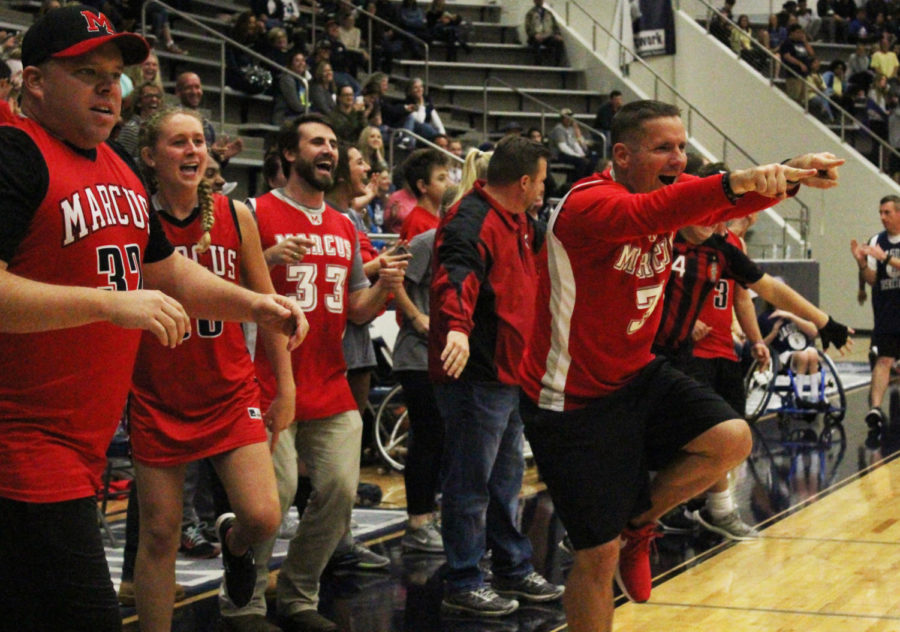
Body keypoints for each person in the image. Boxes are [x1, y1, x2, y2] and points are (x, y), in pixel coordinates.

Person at [0, 7, 306, 631]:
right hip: (22, 445)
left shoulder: (115, 167)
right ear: (34, 83)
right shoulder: (14, 152)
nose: (110, 88)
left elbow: (166, 271)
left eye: (115, 75)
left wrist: (254, 303)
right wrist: (110, 302)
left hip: (77, 446)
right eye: (87, 73)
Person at [516, 99, 845, 632]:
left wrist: (791, 173)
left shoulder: (669, 202)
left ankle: (640, 524)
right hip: (570, 399)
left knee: (732, 438)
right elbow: (653, 215)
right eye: (664, 148)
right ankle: (615, 546)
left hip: (636, 373)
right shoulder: (589, 203)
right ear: (622, 155)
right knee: (594, 558)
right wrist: (737, 181)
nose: (679, 156)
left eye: (683, 146)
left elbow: (710, 213)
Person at [219, 114, 406, 632]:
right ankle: (244, 604)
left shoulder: (346, 224)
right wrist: (267, 257)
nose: (329, 150)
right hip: (264, 380)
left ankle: (299, 595)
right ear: (288, 153)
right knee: (273, 498)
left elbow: (355, 310)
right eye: (316, 142)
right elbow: (212, 286)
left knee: (342, 491)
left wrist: (386, 286)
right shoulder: (252, 212)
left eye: (332, 144)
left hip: (329, 378)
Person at [129, 107, 299, 631]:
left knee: (263, 515)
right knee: (160, 533)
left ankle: (235, 543)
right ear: (150, 156)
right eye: (178, 142)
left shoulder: (234, 215)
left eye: (199, 141)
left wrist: (285, 386)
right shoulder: (134, 218)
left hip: (228, 388)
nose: (192, 151)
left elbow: (266, 305)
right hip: (157, 392)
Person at [430, 135, 564, 617]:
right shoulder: (472, 219)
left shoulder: (521, 222)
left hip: (509, 374)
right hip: (476, 374)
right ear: (525, 182)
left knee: (507, 480)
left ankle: (512, 566)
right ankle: (463, 578)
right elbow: (456, 278)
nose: (545, 189)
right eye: (543, 181)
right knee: (470, 482)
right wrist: (459, 331)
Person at [851, 195, 900, 444]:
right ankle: (876, 409)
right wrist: (861, 264)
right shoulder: (875, 242)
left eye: (887, 212)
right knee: (883, 359)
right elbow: (872, 280)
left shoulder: (884, 250)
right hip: (887, 314)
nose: (882, 216)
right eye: (880, 212)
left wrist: (886, 259)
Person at [175, 71, 244, 165]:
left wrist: (220, 157)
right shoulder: (173, 121)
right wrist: (211, 153)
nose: (194, 92)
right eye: (189, 88)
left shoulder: (207, 125)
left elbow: (208, 166)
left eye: (197, 87)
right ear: (178, 92)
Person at [399, 147, 451, 241]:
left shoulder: (438, 218)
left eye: (448, 177)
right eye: (441, 178)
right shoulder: (416, 223)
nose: (449, 184)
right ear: (422, 186)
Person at [116, 80, 164, 158]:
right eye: (149, 96)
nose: (154, 99)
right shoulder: (131, 128)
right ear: (139, 102)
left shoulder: (162, 128)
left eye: (157, 96)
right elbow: (122, 159)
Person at [549, 107, 595, 183]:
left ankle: (587, 182)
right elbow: (563, 147)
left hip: (570, 154)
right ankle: (576, 182)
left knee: (592, 159)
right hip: (559, 155)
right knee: (581, 162)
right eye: (566, 117)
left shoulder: (570, 129)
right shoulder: (558, 129)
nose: (569, 119)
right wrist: (578, 156)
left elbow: (574, 144)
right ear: (562, 118)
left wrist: (581, 154)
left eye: (570, 117)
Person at [273, 49, 311, 124]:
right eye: (297, 61)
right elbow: (295, 105)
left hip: (300, 115)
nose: (301, 63)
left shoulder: (302, 81)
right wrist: (310, 112)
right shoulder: (286, 79)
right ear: (291, 64)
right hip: (285, 117)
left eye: (303, 61)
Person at [525, 0, 564, 66]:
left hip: (547, 36)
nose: (539, 1)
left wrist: (557, 34)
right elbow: (528, 28)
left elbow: (555, 26)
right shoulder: (530, 13)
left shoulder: (548, 13)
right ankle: (538, 63)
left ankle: (557, 64)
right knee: (536, 42)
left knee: (559, 42)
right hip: (535, 37)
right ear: (534, 1)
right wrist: (535, 34)